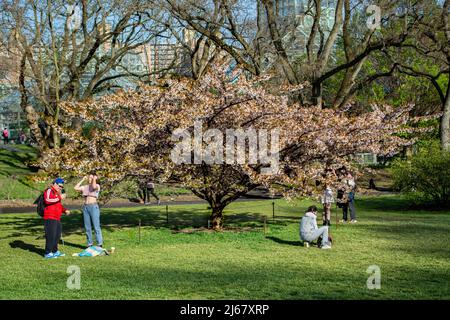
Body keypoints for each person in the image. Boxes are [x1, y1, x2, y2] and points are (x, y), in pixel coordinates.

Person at [43, 178, 70, 259]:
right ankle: (48, 253)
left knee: (57, 235)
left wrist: (64, 210)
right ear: (55, 184)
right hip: (50, 217)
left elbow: (58, 205)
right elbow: (47, 200)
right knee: (51, 235)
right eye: (60, 186)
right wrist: (60, 197)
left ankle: (55, 251)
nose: (61, 188)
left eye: (62, 187)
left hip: (57, 218)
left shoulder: (57, 193)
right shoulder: (49, 190)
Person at [74, 173, 103, 248]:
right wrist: (83, 179)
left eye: (91, 178)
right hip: (86, 207)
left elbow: (93, 186)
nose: (89, 179)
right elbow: (75, 188)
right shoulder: (85, 187)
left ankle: (99, 244)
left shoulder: (97, 186)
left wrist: (94, 178)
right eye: (89, 178)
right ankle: (89, 244)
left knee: (96, 226)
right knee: (87, 227)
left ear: (95, 178)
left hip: (93, 207)